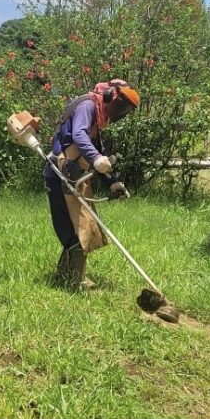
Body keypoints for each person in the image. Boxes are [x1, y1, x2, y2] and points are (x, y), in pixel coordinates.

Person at [43, 79, 140, 290]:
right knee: (74, 230)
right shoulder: (87, 105)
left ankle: (68, 277)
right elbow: (78, 135)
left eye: (125, 109)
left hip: (76, 178)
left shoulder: (96, 119)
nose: (120, 112)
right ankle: (73, 281)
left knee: (83, 227)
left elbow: (98, 154)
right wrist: (96, 158)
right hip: (60, 176)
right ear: (107, 96)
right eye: (120, 105)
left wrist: (113, 182)